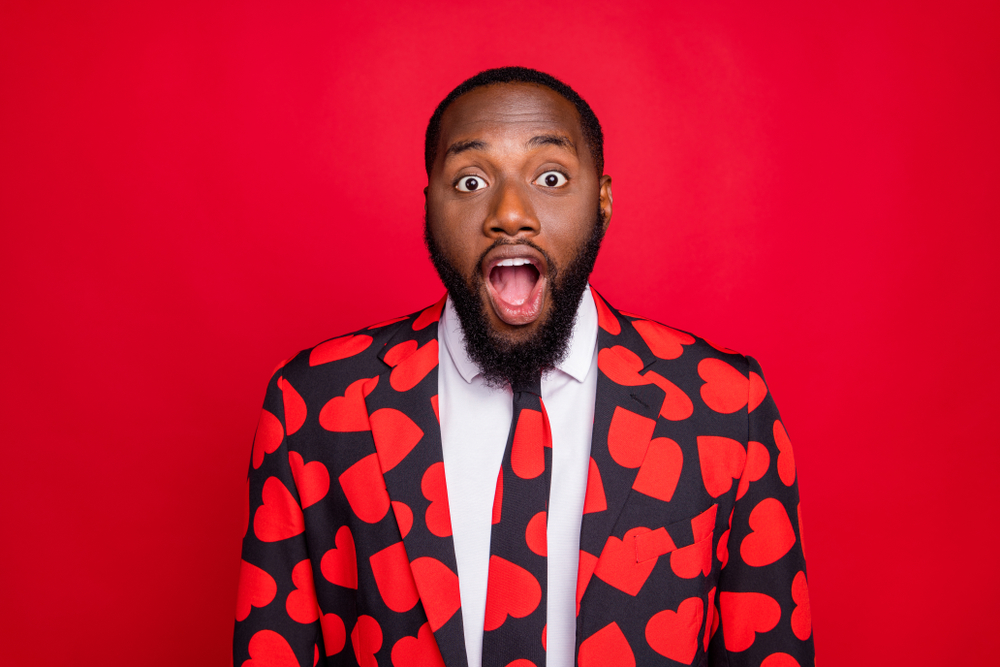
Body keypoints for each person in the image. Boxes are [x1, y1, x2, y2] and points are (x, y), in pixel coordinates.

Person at [234, 66, 814, 667]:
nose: (510, 214)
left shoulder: (723, 406)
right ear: (429, 206)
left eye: (551, 176)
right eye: (470, 182)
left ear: (603, 199)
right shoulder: (317, 405)